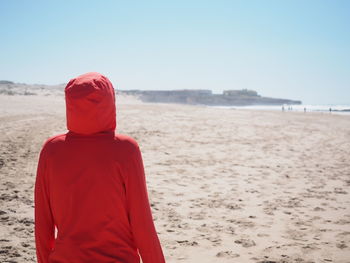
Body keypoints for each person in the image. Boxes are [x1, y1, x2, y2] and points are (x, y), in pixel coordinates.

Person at [34, 72, 165, 263]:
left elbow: (43, 222)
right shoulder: (125, 149)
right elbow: (141, 221)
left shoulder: (52, 149)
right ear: (109, 102)